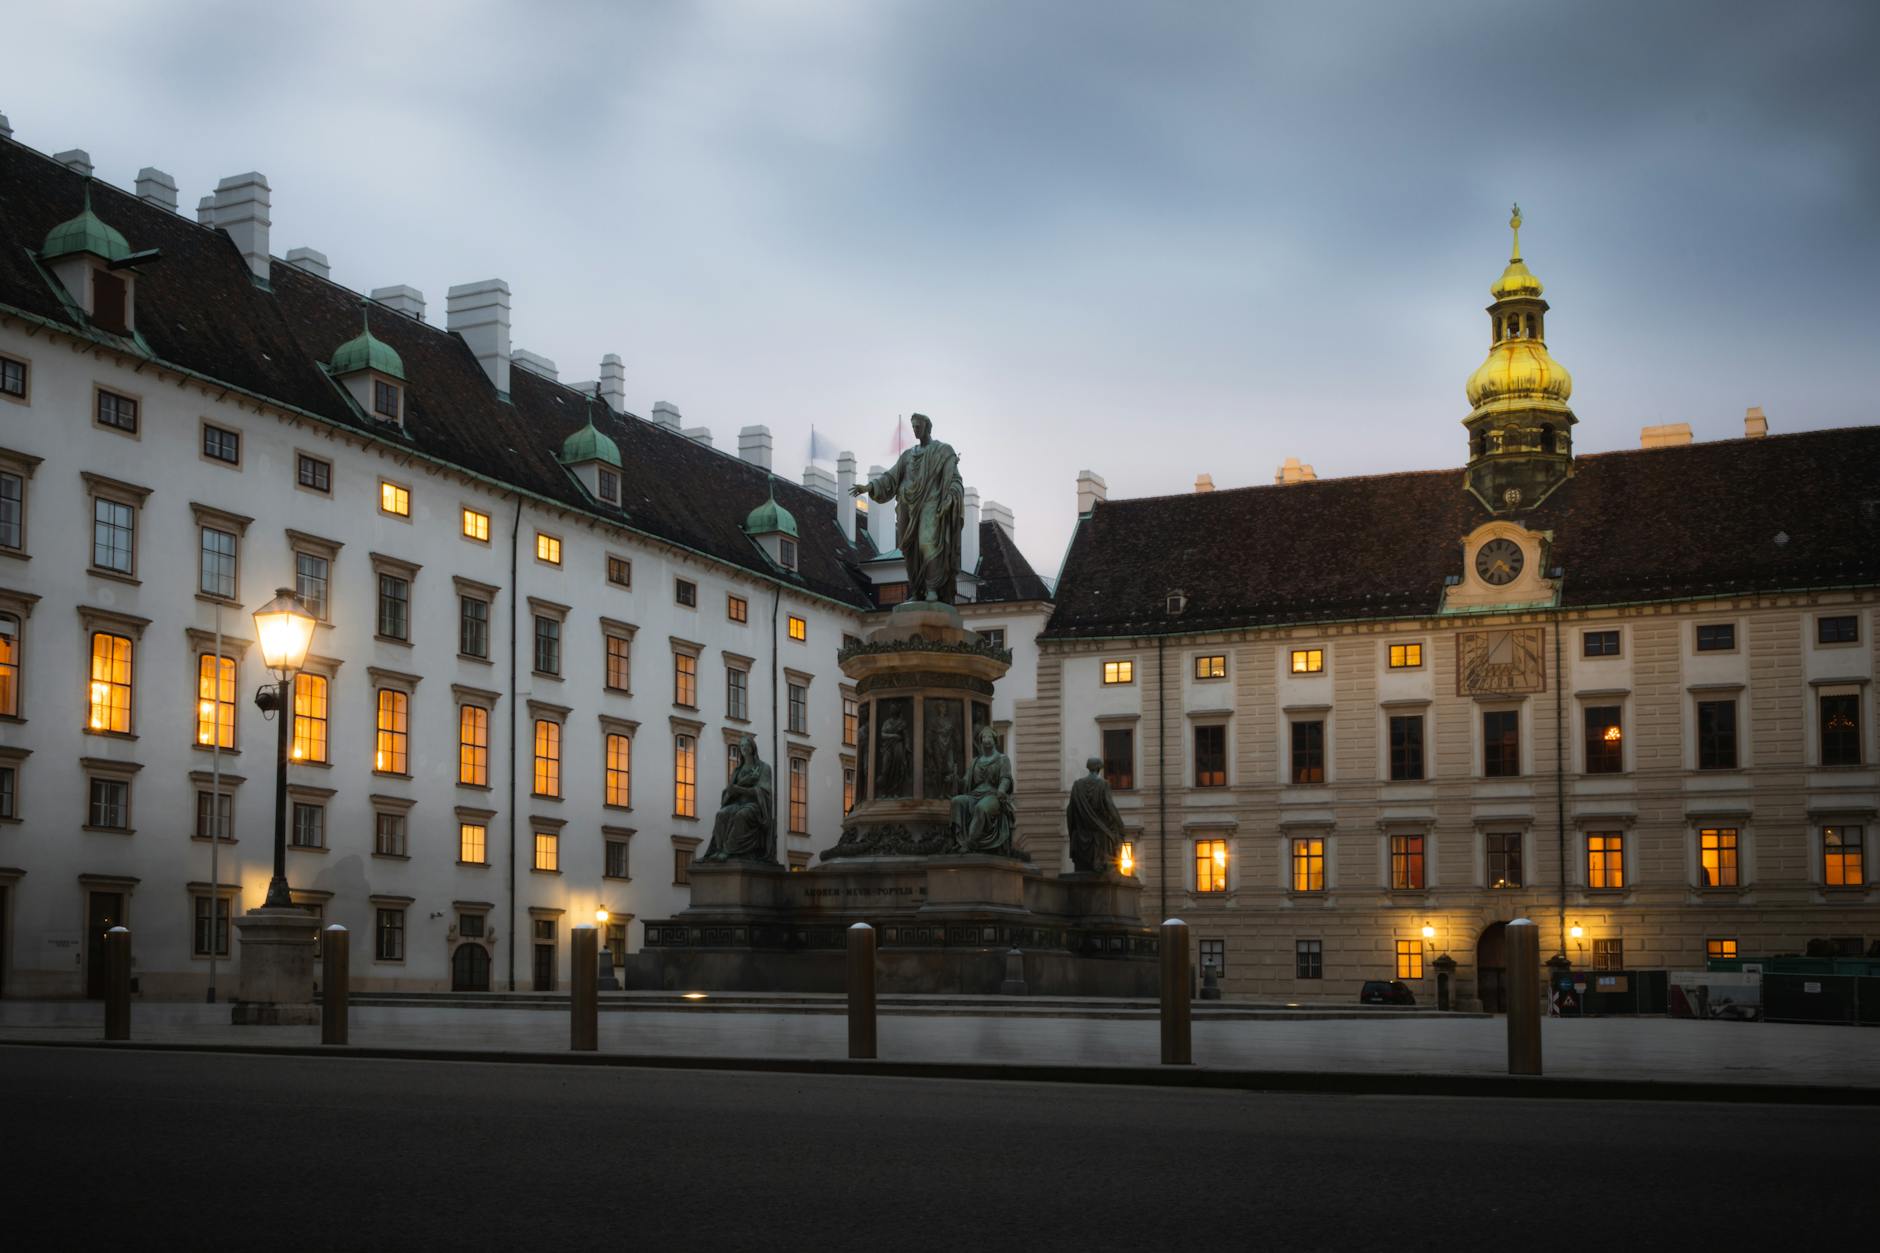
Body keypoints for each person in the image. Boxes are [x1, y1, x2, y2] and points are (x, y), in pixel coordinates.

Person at [850, 413, 963, 604]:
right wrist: (870, 487)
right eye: (913, 427)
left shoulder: (943, 451)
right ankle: (918, 590)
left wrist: (950, 497)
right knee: (911, 550)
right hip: (907, 506)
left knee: (928, 544)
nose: (915, 430)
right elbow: (891, 477)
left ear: (927, 427)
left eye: (918, 426)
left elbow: (954, 480)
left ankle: (932, 588)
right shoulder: (908, 456)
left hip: (931, 503)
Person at [701, 734, 774, 862]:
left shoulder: (764, 768)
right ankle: (718, 850)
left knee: (742, 815)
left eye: (746, 745)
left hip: (754, 806)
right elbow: (729, 791)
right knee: (721, 814)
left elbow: (763, 792)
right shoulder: (737, 770)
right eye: (741, 746)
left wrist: (740, 789)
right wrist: (735, 788)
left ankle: (728, 850)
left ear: (752, 748)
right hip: (738, 803)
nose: (744, 748)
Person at [951, 727, 1015, 855]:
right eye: (984, 738)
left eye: (989, 737)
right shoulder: (975, 761)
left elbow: (1006, 778)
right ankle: (959, 841)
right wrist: (955, 779)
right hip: (975, 794)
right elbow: (965, 782)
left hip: (993, 795)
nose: (986, 740)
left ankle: (970, 842)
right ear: (980, 741)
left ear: (995, 740)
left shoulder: (1003, 759)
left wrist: (1001, 790)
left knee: (981, 808)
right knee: (957, 801)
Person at [1066, 756, 1125, 874]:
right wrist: (1120, 824)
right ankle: (1105, 865)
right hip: (1100, 831)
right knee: (1113, 837)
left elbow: (1070, 810)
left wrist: (1073, 830)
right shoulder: (1103, 784)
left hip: (1081, 832)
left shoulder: (1077, 785)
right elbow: (1110, 806)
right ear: (1099, 768)